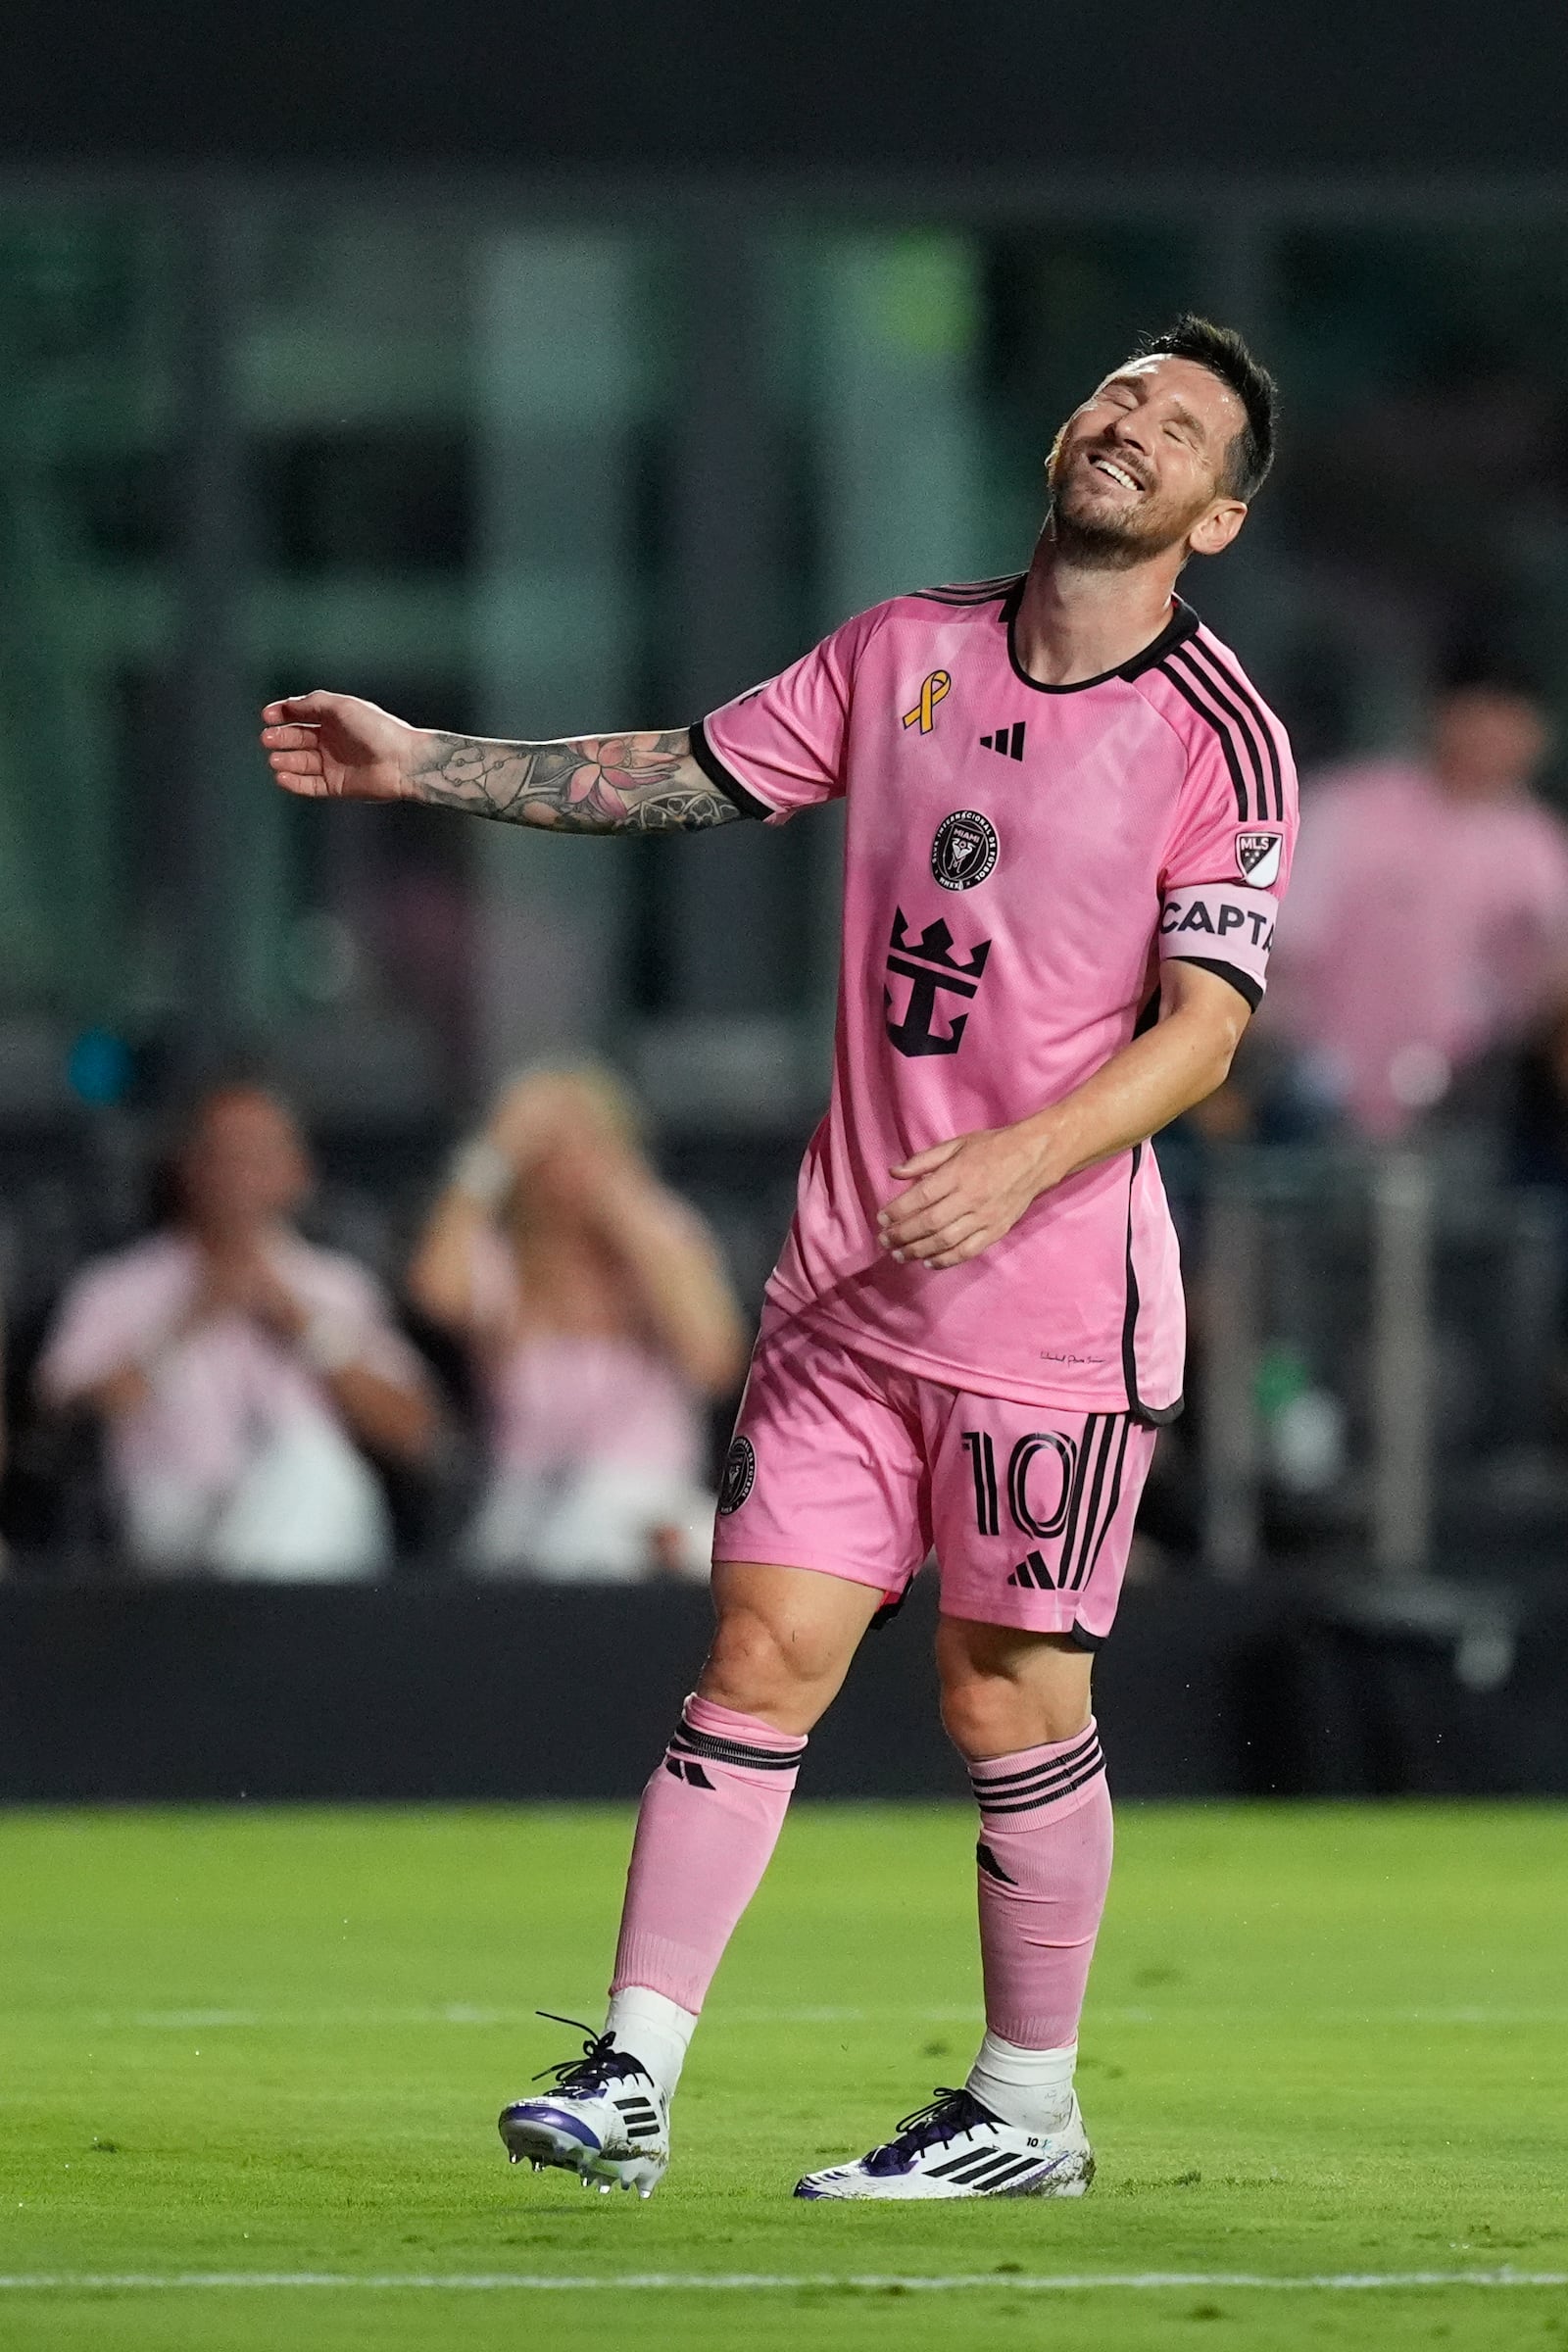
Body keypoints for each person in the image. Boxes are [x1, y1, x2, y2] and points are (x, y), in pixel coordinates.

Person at [262, 313, 1297, 2199]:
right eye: (1120, 395)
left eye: (1182, 424)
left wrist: (1016, 1164)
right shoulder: (902, 650)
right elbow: (678, 772)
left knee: (1008, 1701)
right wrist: (422, 763)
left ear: (1215, 516)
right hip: (845, 1282)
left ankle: (1026, 2110)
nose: (1131, 424)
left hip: (1051, 1312)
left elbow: (1208, 1027)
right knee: (759, 1647)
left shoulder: (1218, 735)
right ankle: (633, 2074)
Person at [37, 1081, 438, 1578]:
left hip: (318, 1533)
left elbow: (417, 1434)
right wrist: (187, 1322)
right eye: (223, 1155)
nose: (240, 1175)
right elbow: (63, 1418)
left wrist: (308, 1331)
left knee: (311, 1460)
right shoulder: (117, 1287)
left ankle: (230, 1636)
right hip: (170, 1520)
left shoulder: (336, 1286)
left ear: (297, 1171)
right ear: (187, 1168)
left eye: (259, 1155)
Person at [407, 1062, 746, 1579]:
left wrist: (627, 1211)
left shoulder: (664, 1240)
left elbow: (715, 1363)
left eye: (587, 1145)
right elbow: (434, 1294)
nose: (568, 1166)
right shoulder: (503, 1259)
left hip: (647, 1503)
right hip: (523, 1521)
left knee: (632, 1528)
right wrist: (493, 1151)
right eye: (548, 1149)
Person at [1267, 659, 1568, 1141]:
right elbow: (1278, 947)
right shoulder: (1348, 807)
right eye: (1477, 715)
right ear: (1442, 713)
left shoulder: (1542, 849)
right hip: (1317, 1100)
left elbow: (1544, 996)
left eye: (1509, 722)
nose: (1489, 738)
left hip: (1472, 1115)